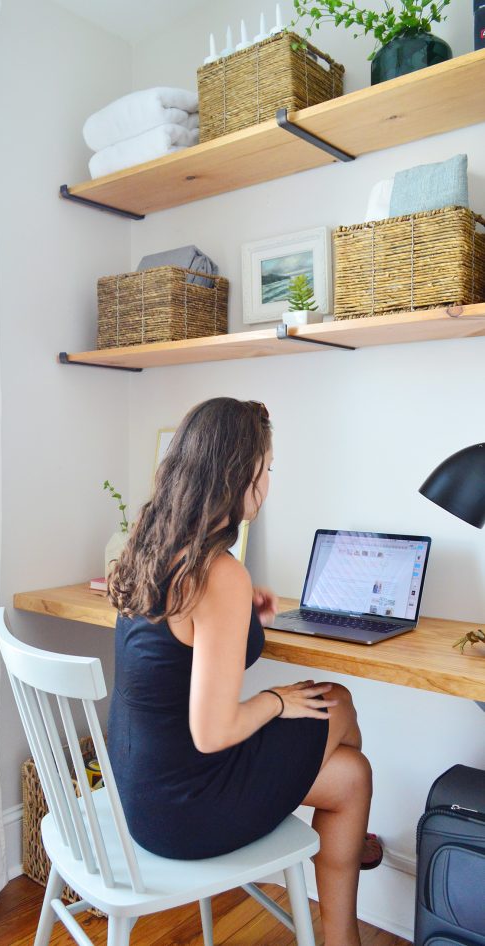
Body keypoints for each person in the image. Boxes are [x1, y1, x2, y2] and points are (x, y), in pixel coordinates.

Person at [107, 397, 375, 946]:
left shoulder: (152, 548)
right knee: (337, 700)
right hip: (186, 809)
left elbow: (179, 644)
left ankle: (340, 935)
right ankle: (354, 860)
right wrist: (277, 698)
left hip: (139, 795)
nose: (269, 481)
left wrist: (244, 613)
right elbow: (214, 732)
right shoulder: (218, 573)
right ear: (241, 474)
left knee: (351, 776)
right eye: (268, 468)